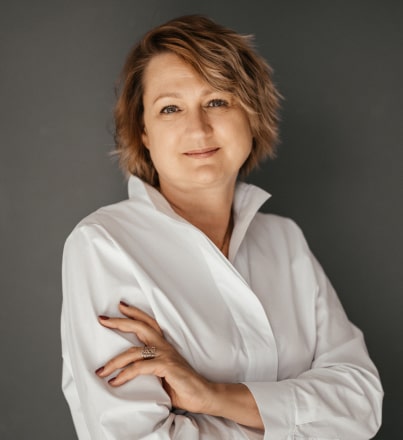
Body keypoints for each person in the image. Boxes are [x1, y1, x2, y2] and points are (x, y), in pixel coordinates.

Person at [61, 15, 383, 439]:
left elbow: (361, 405)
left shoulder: (285, 240)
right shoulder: (105, 245)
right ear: (144, 132)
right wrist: (297, 419)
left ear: (251, 114)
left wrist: (212, 397)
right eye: (170, 108)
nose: (198, 128)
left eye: (216, 101)